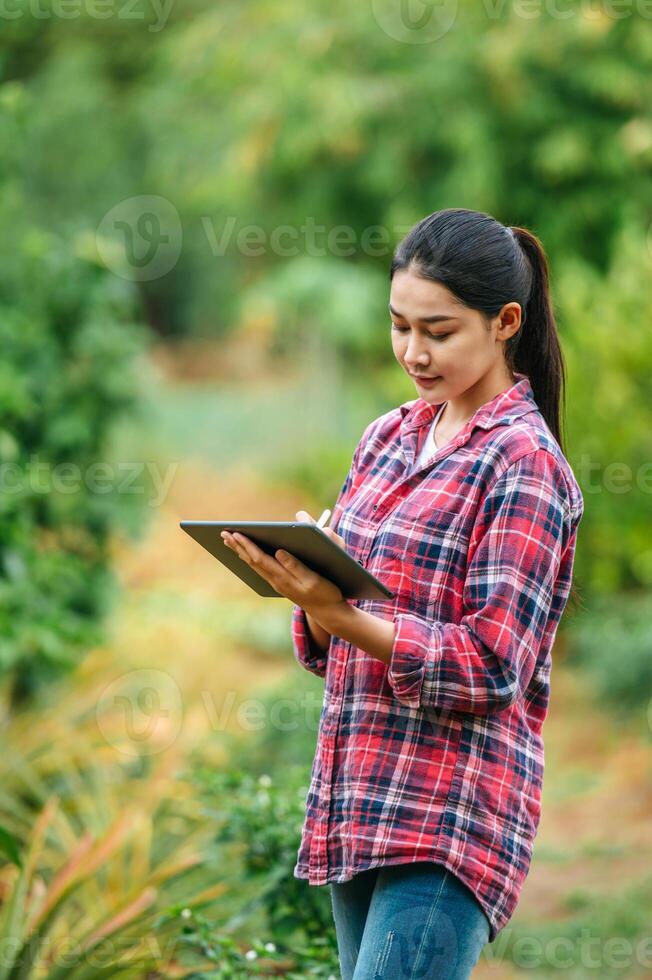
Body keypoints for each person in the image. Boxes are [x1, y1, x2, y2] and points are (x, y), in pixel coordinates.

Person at [220, 207, 585, 979]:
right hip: (360, 791)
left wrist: (338, 613)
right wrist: (312, 595)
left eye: (439, 331)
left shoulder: (524, 464)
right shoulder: (389, 437)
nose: (413, 352)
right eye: (399, 326)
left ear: (505, 322)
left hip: (448, 812)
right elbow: (341, 640)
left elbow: (492, 666)